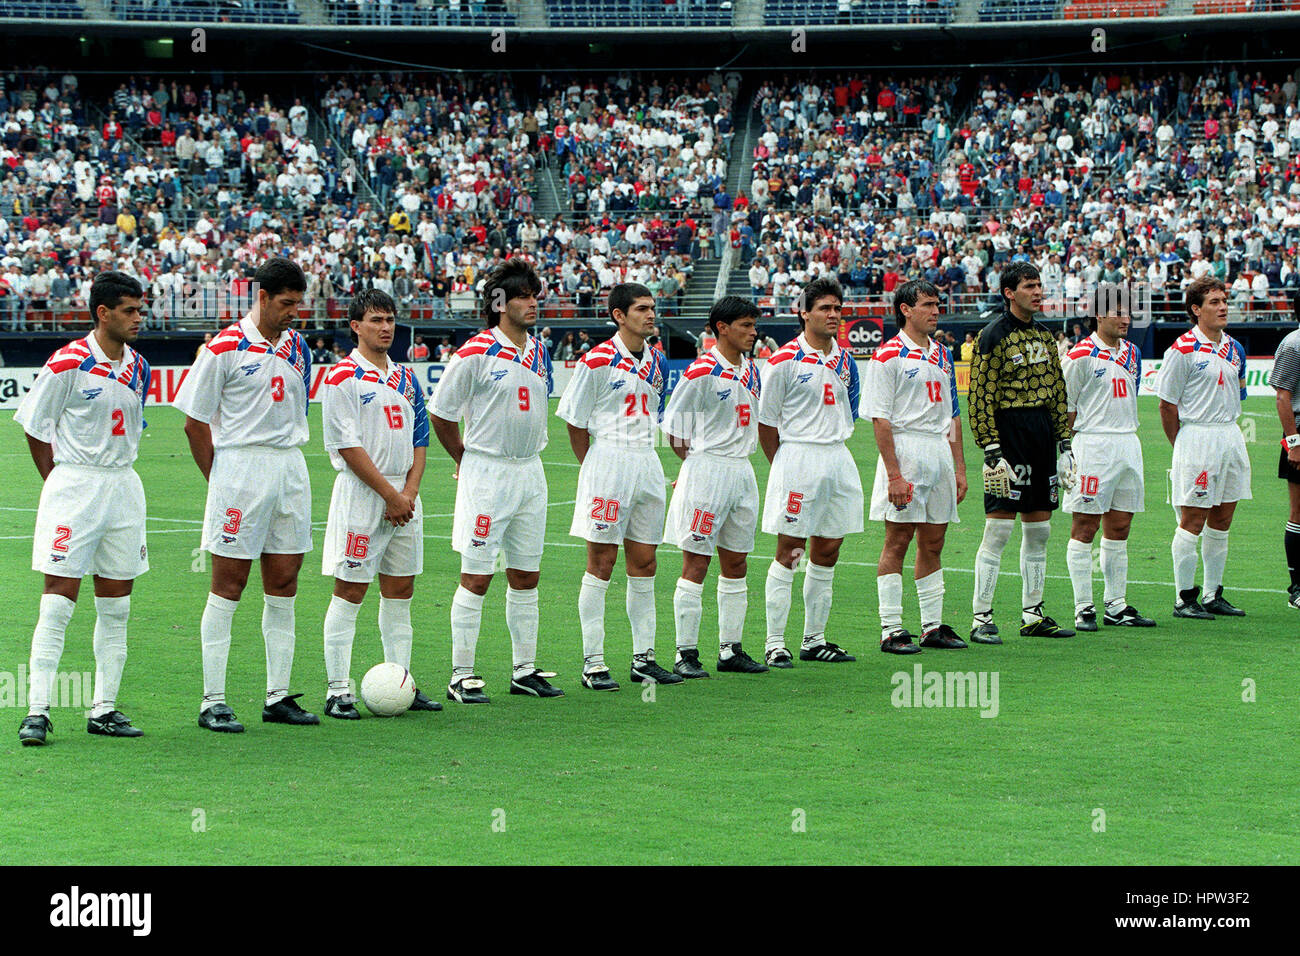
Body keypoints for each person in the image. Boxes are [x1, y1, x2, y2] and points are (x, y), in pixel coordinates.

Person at [174, 257, 318, 733]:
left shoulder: (299, 347)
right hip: (239, 469)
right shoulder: (224, 347)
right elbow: (195, 421)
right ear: (261, 296)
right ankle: (212, 699)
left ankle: (277, 696)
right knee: (229, 584)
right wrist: (220, 479)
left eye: (299, 303)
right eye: (285, 303)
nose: (294, 311)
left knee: (284, 583)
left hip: (289, 469)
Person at [14, 272, 151, 745]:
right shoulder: (67, 362)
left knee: (116, 605)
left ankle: (104, 709)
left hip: (124, 488)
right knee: (58, 600)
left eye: (140, 309)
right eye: (130, 310)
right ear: (103, 313)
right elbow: (35, 428)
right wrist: (59, 483)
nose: (139, 317)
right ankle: (36, 711)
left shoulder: (139, 366)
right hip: (75, 485)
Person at [428, 259, 562, 703]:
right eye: (523, 295)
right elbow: (442, 414)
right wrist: (465, 458)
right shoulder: (474, 353)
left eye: (535, 295)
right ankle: (461, 674)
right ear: (499, 303)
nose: (532, 303)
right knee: (478, 575)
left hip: (531, 472)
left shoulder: (540, 351)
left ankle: (524, 670)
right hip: (487, 473)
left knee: (526, 575)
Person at [319, 289, 439, 719]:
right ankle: (337, 690)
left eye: (389, 320)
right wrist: (390, 495)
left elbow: (420, 440)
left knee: (401, 590)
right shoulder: (341, 378)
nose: (385, 328)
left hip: (405, 497)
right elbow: (346, 445)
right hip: (362, 496)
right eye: (375, 320)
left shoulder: (407, 378)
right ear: (356, 326)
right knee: (350, 590)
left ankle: (402, 679)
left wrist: (407, 493)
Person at [557, 282, 677, 689]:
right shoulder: (596, 361)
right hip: (608, 461)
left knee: (645, 563)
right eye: (641, 309)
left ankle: (643, 658)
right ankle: (593, 662)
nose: (650, 314)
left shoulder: (658, 362)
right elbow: (575, 421)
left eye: (652, 308)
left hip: (647, 461)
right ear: (619, 315)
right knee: (602, 563)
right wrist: (593, 466)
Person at [968, 261, 1076, 643]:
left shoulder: (1046, 337)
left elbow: (1058, 391)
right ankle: (981, 618)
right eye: (1029, 286)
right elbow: (980, 395)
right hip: (1009, 433)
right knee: (998, 529)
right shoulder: (992, 336)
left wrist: (1065, 443)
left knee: (1041, 530)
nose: (1038, 291)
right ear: (1009, 293)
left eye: (1039, 285)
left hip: (1042, 434)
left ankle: (1033, 613)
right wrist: (991, 449)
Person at [757, 276, 863, 667]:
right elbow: (766, 422)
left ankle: (814, 639)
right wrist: (783, 464)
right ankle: (774, 642)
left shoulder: (846, 359)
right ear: (804, 313)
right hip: (798, 457)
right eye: (825, 308)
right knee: (790, 551)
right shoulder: (783, 360)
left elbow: (849, 410)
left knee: (829, 549)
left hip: (838, 457)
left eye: (837, 308)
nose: (833, 315)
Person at [662, 296, 768, 678]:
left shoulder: (752, 370)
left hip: (742, 473)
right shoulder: (700, 371)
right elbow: (675, 430)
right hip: (708, 472)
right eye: (745, 326)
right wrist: (696, 468)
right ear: (722, 328)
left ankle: (730, 649)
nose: (753, 333)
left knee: (737, 561)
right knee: (697, 561)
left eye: (754, 326)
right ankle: (685, 654)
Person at [867, 280, 969, 654]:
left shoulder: (943, 354)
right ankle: (891, 628)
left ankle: (931, 627)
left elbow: (954, 416)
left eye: (937, 304)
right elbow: (880, 419)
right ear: (906, 310)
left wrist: (959, 468)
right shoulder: (888, 355)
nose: (935, 311)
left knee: (934, 540)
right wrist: (894, 474)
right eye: (927, 304)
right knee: (898, 539)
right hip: (907, 452)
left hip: (938, 452)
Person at [1060, 284, 1157, 630]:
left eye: (1128, 313)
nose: (1126, 319)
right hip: (1094, 446)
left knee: (1120, 526)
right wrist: (1064, 452)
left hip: (1128, 444)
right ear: (1098, 315)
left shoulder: (1132, 353)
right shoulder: (1078, 356)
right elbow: (1066, 410)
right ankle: (1083, 606)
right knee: (1085, 525)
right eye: (1118, 312)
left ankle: (1116, 605)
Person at [1158, 276, 1250, 618]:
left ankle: (1212, 593)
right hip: (1197, 438)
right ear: (1196, 310)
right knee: (1193, 518)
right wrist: (1182, 443)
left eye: (1224, 300)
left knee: (1223, 517)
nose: (1223, 306)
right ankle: (1184, 598)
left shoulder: (1234, 348)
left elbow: (1237, 393)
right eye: (1214, 302)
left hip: (1230, 436)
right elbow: (1167, 405)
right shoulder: (1181, 350)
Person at [1268, 291, 1300, 609]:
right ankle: (1297, 587)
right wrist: (1294, 443)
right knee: (1299, 512)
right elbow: (1282, 396)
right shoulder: (1293, 344)